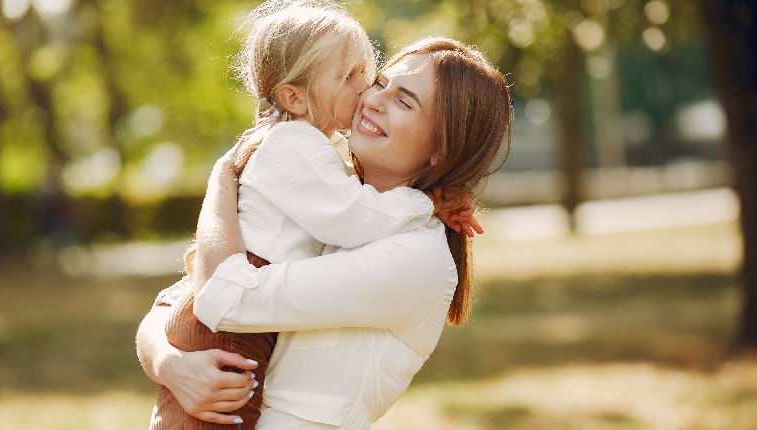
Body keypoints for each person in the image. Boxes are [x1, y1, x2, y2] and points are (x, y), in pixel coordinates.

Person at [137, 37, 512, 429]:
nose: (374, 100)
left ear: (443, 148)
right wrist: (168, 363)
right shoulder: (322, 197)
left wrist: (224, 174)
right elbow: (173, 302)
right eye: (380, 83)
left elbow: (224, 297)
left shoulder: (417, 259)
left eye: (404, 102)